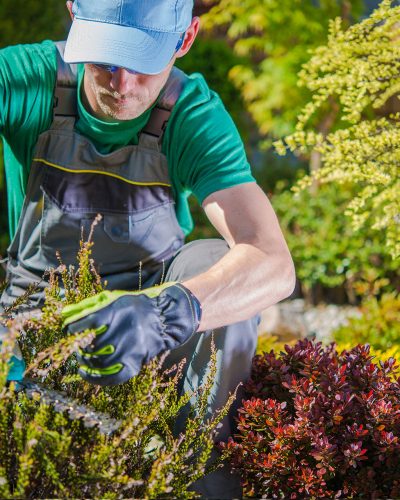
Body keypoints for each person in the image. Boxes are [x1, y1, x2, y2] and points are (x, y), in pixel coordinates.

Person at [0, 0, 295, 497]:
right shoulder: (23, 80)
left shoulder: (192, 117)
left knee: (214, 260)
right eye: (104, 59)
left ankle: (205, 475)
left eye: (142, 61)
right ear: (74, 14)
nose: (121, 83)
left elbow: (273, 263)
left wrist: (164, 315)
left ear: (185, 40)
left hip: (153, 338)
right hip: (29, 321)